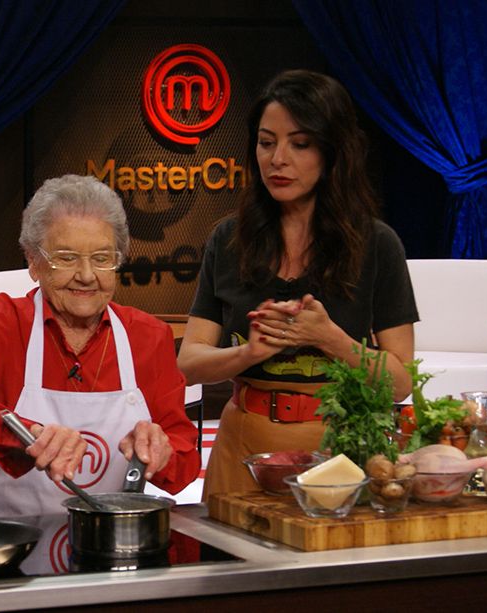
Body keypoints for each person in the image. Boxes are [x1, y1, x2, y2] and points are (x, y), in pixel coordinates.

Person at [177, 70, 418, 498]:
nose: (278, 159)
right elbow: (190, 362)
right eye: (267, 142)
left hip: (340, 452)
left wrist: (328, 338)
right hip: (243, 449)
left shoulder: (377, 244)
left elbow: (399, 383)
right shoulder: (228, 239)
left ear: (333, 151)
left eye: (300, 144)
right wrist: (247, 352)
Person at [0, 174, 200, 522]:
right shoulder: (4, 324)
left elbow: (184, 463)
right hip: (10, 548)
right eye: (66, 258)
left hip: (109, 550)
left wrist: (162, 451)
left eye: (101, 258)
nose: (86, 275)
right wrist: (25, 434)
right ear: (33, 262)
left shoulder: (147, 336)